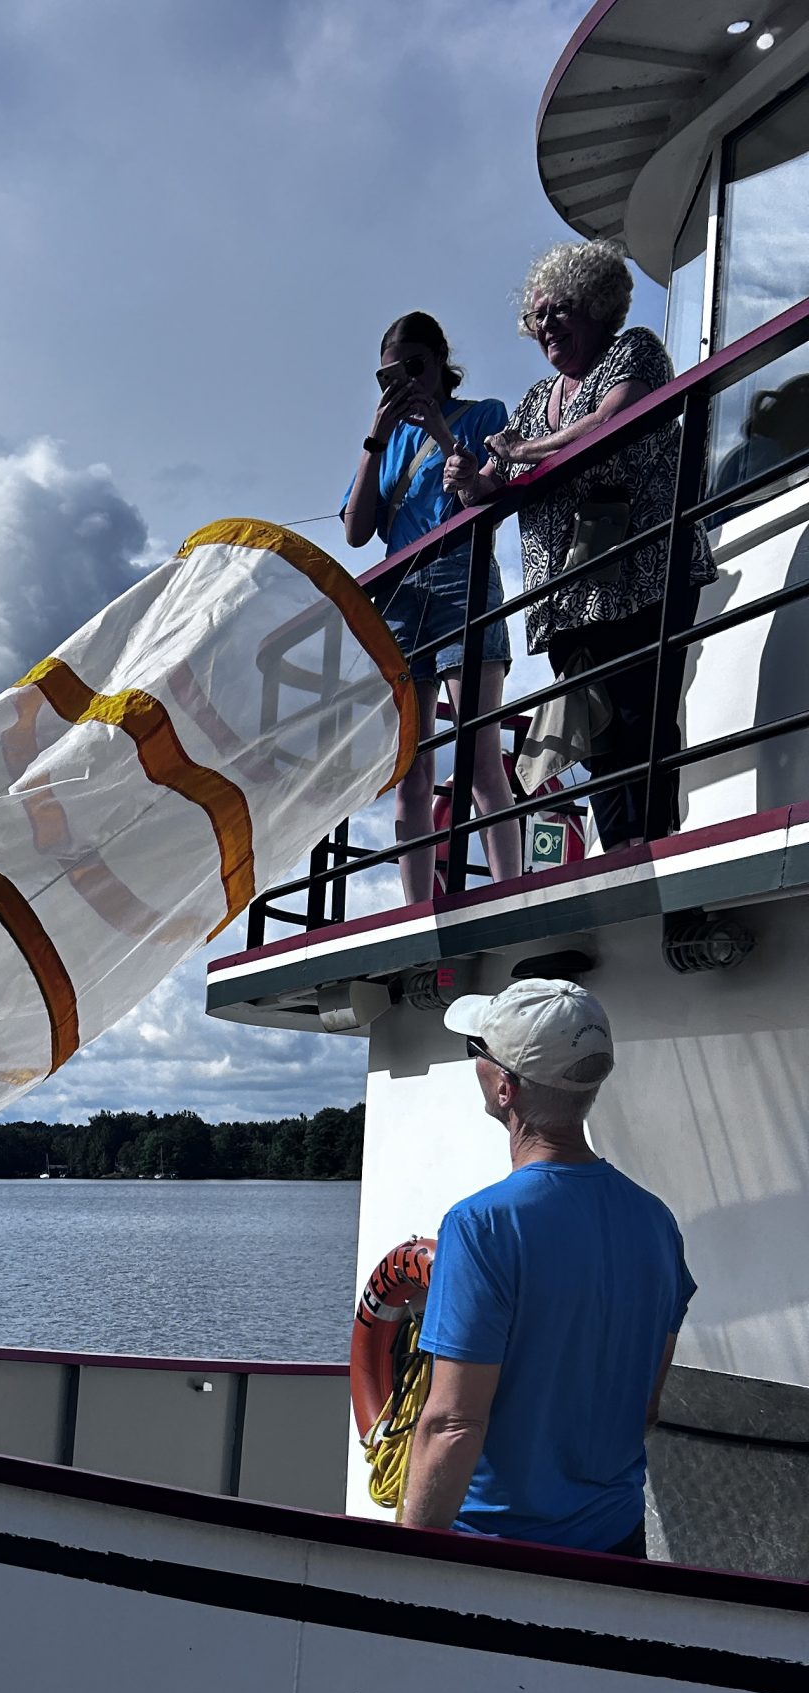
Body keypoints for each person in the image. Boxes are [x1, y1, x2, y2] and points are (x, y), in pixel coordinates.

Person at [402, 978, 693, 1557]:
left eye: (476, 1052)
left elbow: (454, 1425)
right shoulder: (656, 1221)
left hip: (501, 1553)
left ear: (504, 1087)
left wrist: (401, 1563)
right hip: (617, 1542)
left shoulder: (482, 1226)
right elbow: (646, 1408)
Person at [444, 242, 716, 852]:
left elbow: (614, 418)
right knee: (593, 732)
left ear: (596, 303)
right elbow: (494, 489)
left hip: (642, 570)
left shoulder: (634, 349)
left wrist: (522, 454)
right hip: (568, 598)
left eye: (558, 310)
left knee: (640, 718)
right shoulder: (538, 401)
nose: (545, 327)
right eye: (537, 317)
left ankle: (648, 844)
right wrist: (471, 482)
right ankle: (621, 850)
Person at [343, 311, 521, 903]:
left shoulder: (485, 414)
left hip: (461, 576)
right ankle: (417, 907)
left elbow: (483, 493)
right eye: (388, 376)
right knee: (410, 772)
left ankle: (508, 891)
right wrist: (376, 433)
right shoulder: (388, 443)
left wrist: (442, 432)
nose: (404, 383)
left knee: (478, 753)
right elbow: (355, 531)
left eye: (414, 367)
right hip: (399, 592)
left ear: (442, 361)